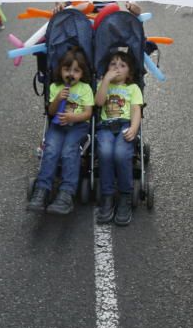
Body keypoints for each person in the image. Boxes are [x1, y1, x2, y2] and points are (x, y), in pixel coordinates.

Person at [27, 48, 94, 215]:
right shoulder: (55, 86)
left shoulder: (85, 88)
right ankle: (42, 189)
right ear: (60, 70)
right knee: (50, 150)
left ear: (82, 73)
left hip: (77, 126)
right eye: (67, 69)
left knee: (68, 151)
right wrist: (58, 98)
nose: (71, 74)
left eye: (76, 70)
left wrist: (72, 117)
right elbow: (51, 111)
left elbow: (88, 113)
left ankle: (66, 193)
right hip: (57, 126)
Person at [94, 50, 144, 227]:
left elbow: (137, 110)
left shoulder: (132, 88)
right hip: (106, 126)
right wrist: (105, 80)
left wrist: (134, 127)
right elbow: (99, 103)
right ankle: (107, 195)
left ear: (129, 73)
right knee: (106, 152)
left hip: (125, 125)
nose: (117, 68)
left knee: (121, 154)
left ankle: (125, 196)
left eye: (122, 65)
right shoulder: (103, 84)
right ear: (106, 68)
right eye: (113, 64)